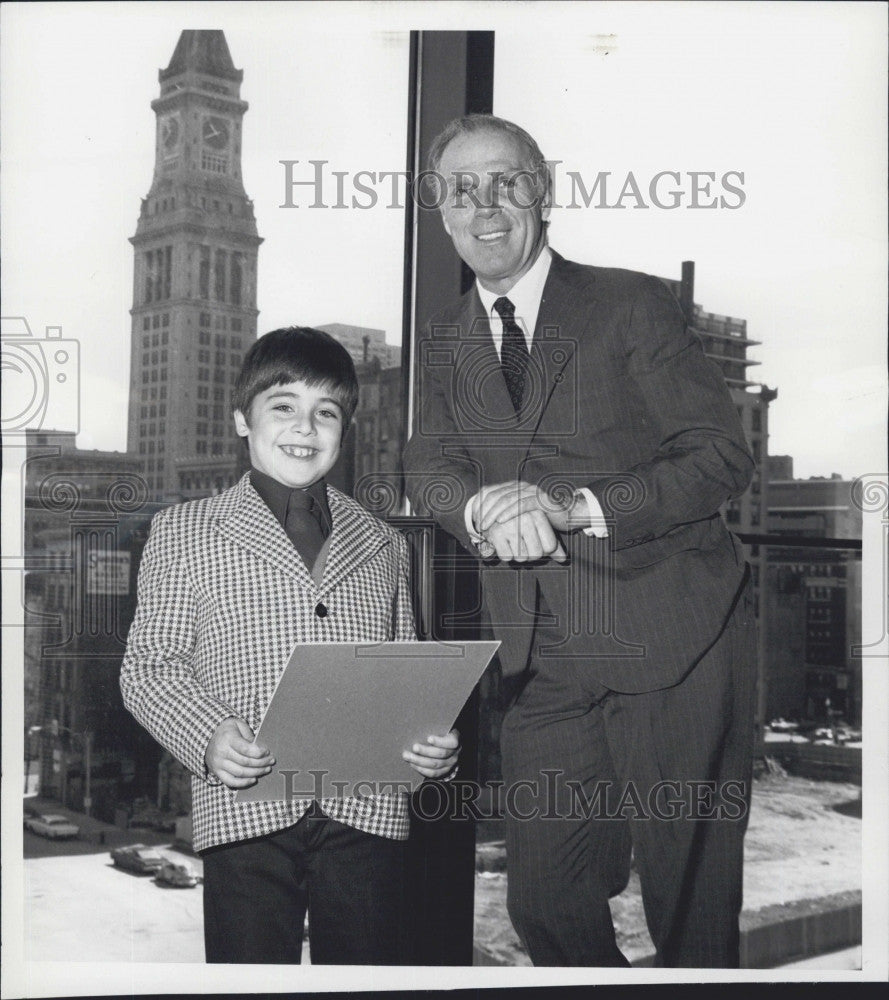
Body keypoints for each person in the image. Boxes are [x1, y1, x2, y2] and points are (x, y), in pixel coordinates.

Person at [402, 115, 757, 968]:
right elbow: (428, 458)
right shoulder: (447, 335)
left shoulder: (628, 303)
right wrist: (483, 507)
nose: (484, 207)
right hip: (545, 660)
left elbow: (718, 454)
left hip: (673, 634)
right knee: (545, 904)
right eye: (460, 190)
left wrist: (567, 506)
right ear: (441, 215)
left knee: (689, 912)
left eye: (504, 182)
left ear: (543, 191)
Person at [121, 327, 459, 965]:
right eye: (283, 406)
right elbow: (149, 668)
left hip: (369, 813)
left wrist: (429, 744)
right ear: (242, 421)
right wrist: (208, 735)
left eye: (325, 412)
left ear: (343, 429)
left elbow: (404, 669)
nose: (305, 427)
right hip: (247, 808)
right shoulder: (184, 531)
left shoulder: (385, 543)